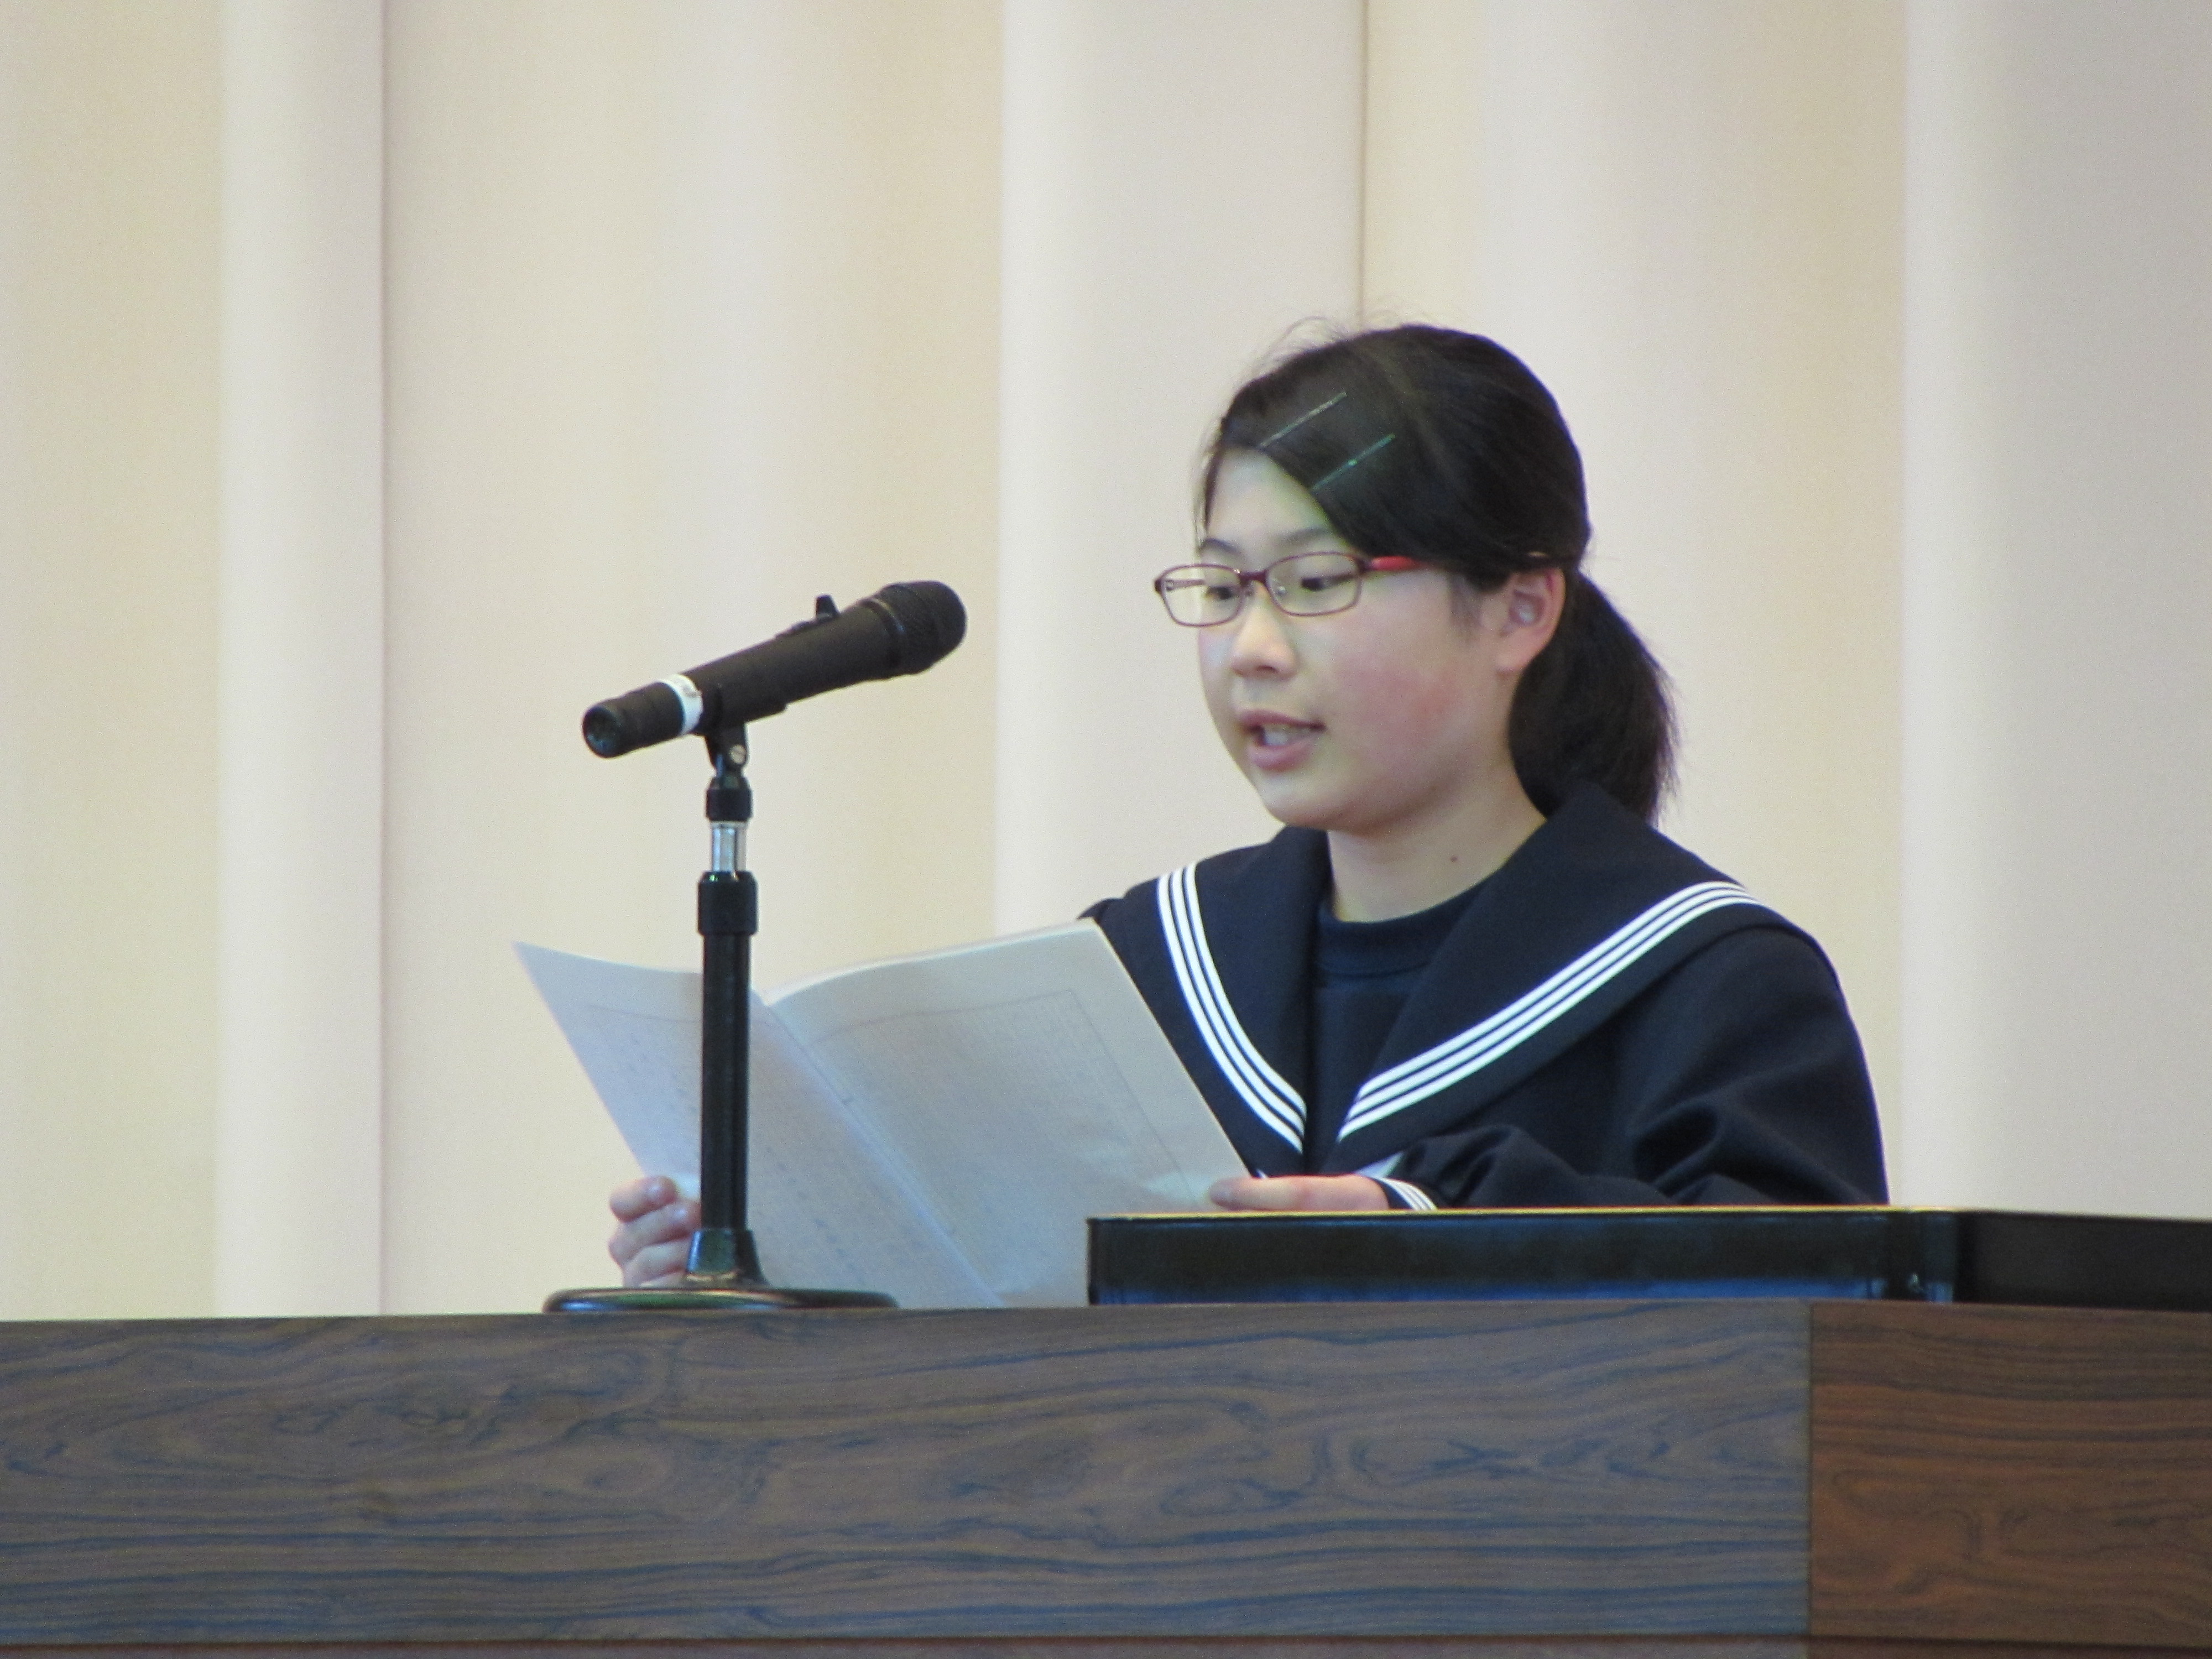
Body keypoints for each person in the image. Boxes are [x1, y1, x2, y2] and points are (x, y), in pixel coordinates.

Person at [609, 325, 1886, 1287]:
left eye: (1315, 582)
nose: (1251, 651)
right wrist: (767, 1261)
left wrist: (1431, 1231)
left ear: (1518, 609)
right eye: (1221, 591)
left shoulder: (1708, 986)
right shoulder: (1136, 973)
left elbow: (1822, 1321)